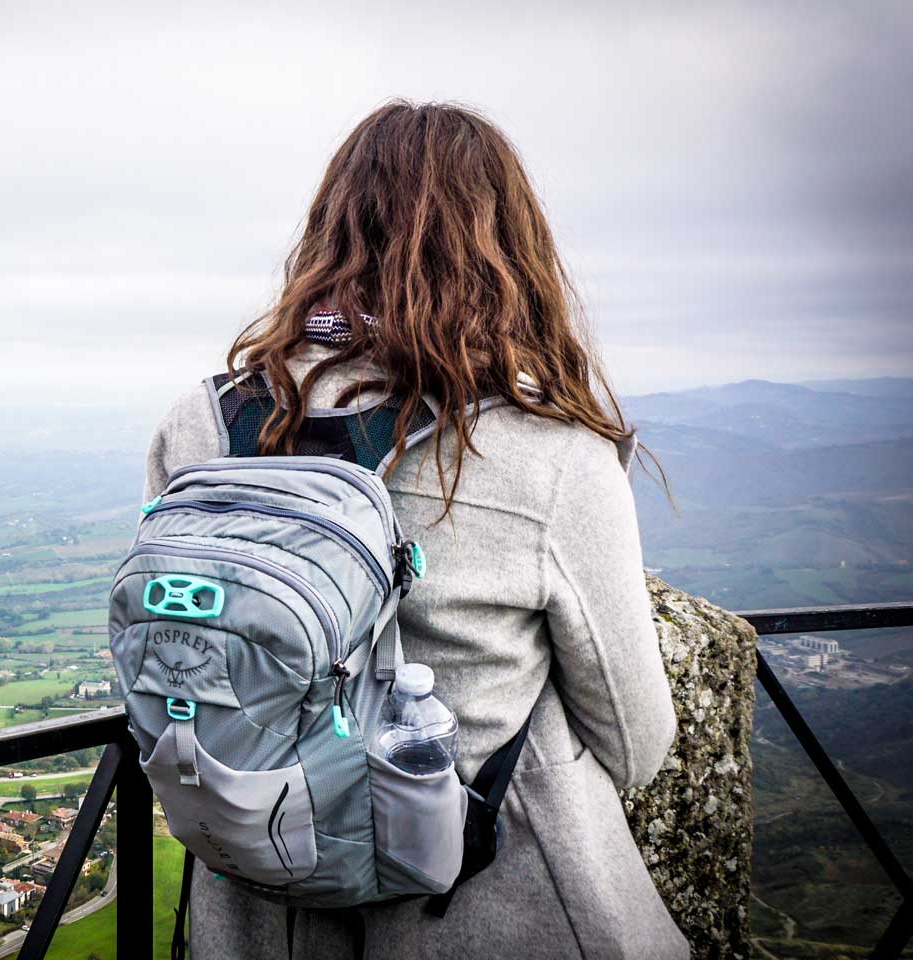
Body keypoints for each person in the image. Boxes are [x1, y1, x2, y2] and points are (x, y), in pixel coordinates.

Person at [140, 101, 686, 959]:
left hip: (259, 899)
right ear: (508, 250)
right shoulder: (547, 451)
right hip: (488, 904)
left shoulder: (204, 423)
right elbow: (636, 738)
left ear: (331, 230)